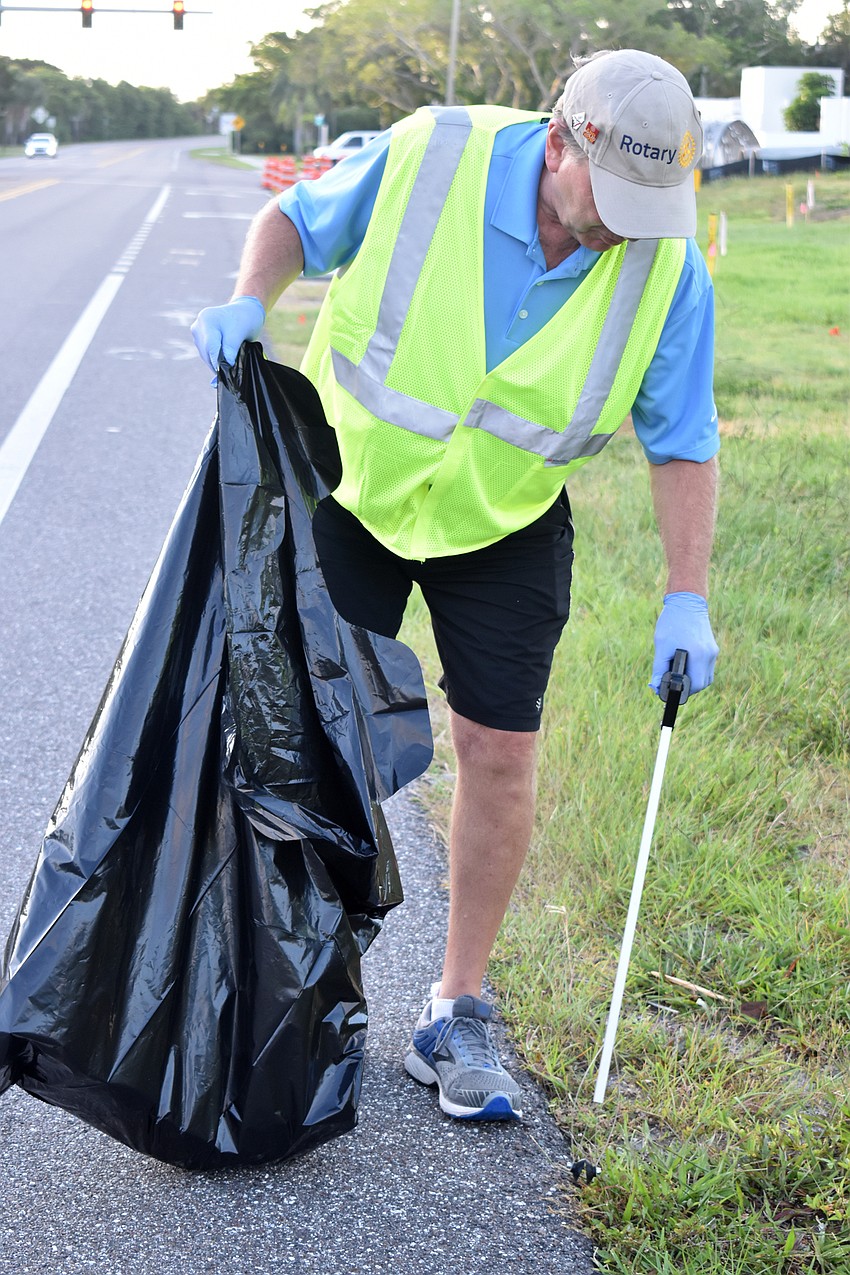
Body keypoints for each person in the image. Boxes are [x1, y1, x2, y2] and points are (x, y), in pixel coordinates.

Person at [192, 48, 719, 1124]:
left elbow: (682, 440)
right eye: (606, 199)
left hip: (503, 515)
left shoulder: (667, 265)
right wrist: (251, 299)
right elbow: (297, 224)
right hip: (354, 490)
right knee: (298, 743)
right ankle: (274, 991)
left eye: (644, 208)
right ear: (560, 137)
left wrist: (687, 591)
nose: (620, 227)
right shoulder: (435, 153)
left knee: (499, 753)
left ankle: (456, 1010)